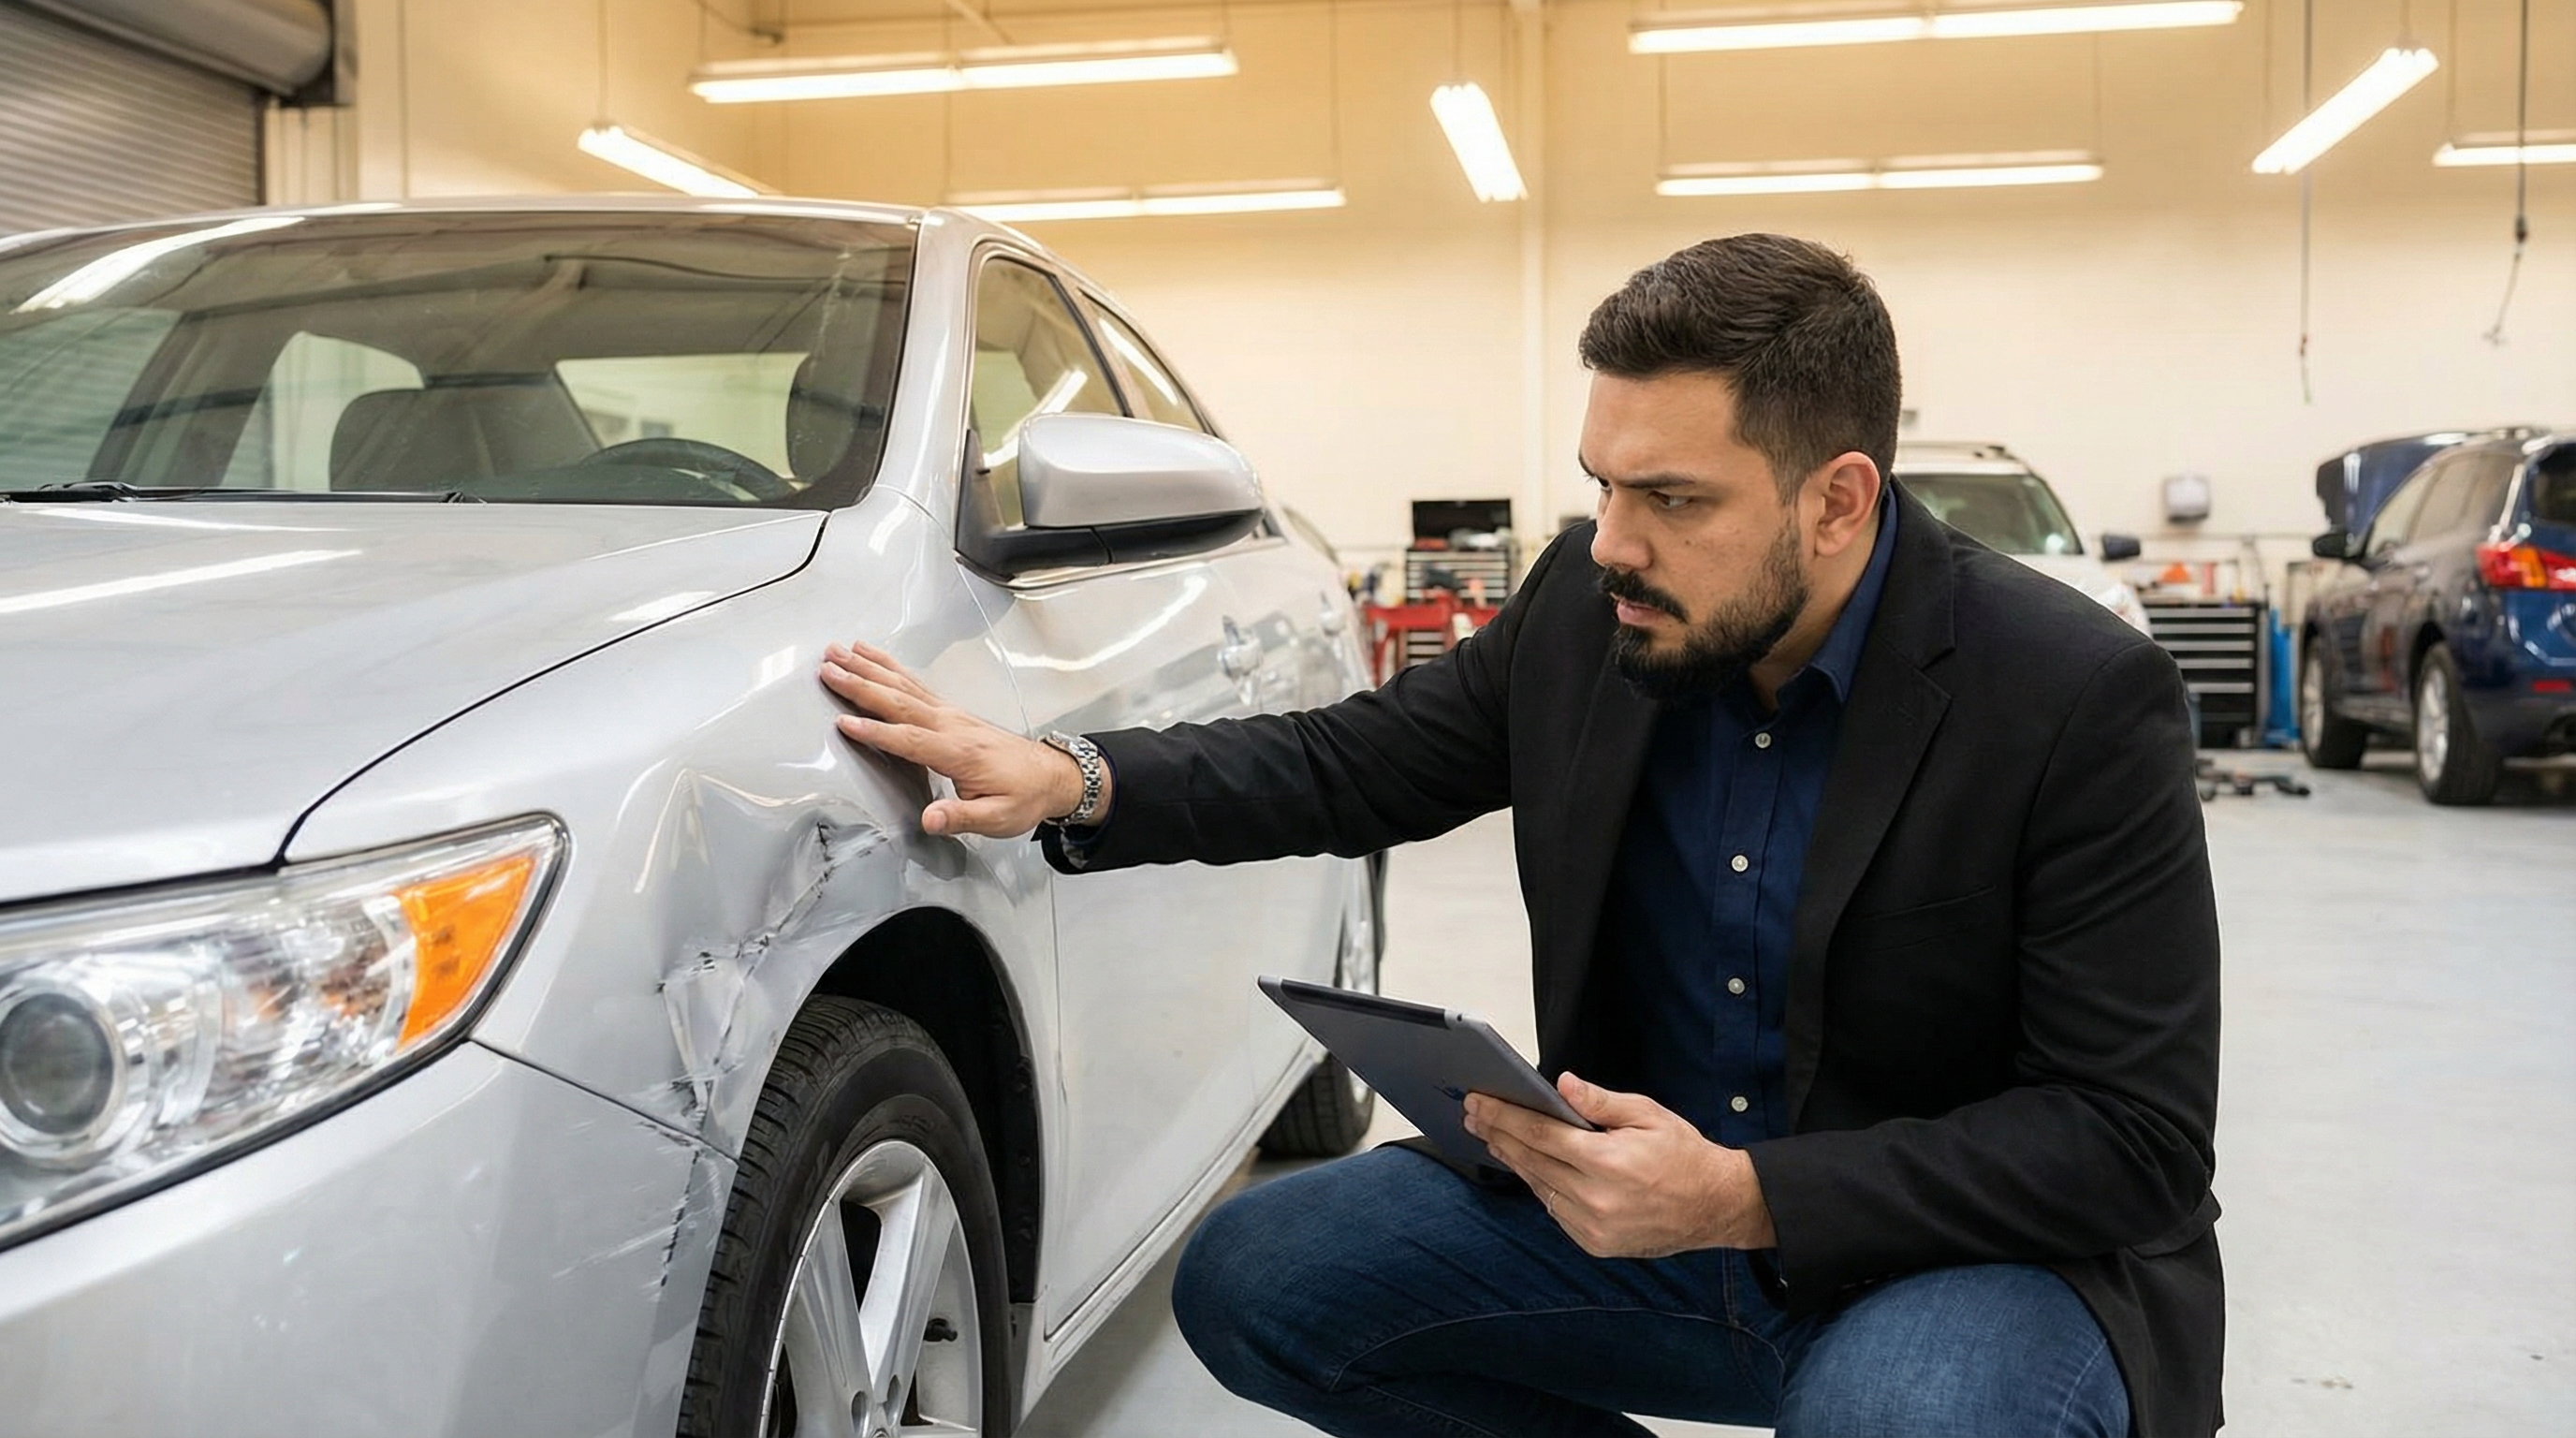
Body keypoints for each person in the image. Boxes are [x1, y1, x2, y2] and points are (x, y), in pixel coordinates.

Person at [817, 233, 2222, 1438]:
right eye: (1602, 483)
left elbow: (2134, 1141)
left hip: (1952, 1258)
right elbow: (1351, 764)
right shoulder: (1589, 611)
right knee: (1261, 1281)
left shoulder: (2071, 695)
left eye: (1672, 499)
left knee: (1896, 1419)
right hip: (1642, 1224)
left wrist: (1743, 1196)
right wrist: (1076, 779)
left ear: (1839, 500)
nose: (1613, 540)